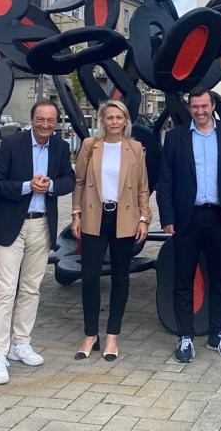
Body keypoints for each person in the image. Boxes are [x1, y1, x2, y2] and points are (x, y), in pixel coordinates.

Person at [0, 101, 75, 385]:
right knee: (4, 291)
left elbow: (69, 180)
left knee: (31, 288)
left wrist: (50, 186)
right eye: (40, 119)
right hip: (13, 224)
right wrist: (27, 186)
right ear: (32, 118)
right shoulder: (11, 144)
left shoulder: (59, 148)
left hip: (42, 225)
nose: (45, 125)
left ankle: (20, 343)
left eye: (50, 120)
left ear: (56, 122)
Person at [157, 87, 221, 363]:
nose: (199, 111)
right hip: (188, 217)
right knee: (184, 279)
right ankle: (185, 336)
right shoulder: (175, 137)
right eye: (195, 107)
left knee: (220, 278)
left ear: (212, 106)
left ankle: (217, 333)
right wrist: (167, 217)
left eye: (204, 106)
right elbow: (166, 180)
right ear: (190, 107)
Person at [71, 100, 151, 361]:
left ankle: (113, 336)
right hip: (95, 215)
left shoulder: (135, 148)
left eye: (119, 117)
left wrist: (144, 218)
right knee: (91, 276)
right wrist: (76, 214)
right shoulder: (90, 146)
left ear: (126, 121)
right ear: (102, 121)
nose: (114, 122)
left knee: (120, 277)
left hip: (124, 217)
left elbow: (142, 187)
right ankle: (90, 334)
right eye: (110, 117)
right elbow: (80, 182)